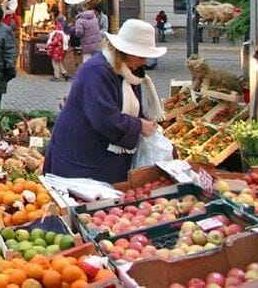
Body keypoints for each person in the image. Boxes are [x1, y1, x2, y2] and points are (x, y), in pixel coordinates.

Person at [44, 19, 166, 184]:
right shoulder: (97, 71)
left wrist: (144, 122)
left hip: (103, 158)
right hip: (81, 159)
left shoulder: (129, 71)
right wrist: (139, 125)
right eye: (142, 55)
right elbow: (105, 119)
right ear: (125, 52)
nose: (145, 61)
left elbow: (131, 107)